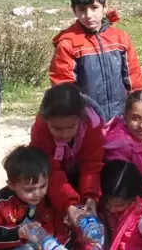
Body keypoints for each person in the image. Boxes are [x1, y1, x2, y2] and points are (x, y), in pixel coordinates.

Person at [49, 0, 142, 122]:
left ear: (105, 7)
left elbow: (133, 77)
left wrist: (137, 107)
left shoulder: (120, 38)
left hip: (121, 116)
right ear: (74, 10)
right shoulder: (68, 43)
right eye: (82, 9)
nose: (88, 15)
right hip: (86, 120)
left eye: (94, 8)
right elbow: (64, 86)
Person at [30, 82, 105, 227]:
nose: (64, 134)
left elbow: (91, 165)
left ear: (80, 119)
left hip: (76, 169)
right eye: (57, 128)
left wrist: (91, 197)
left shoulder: (92, 125)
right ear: (47, 121)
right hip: (52, 174)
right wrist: (68, 204)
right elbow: (50, 170)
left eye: (71, 127)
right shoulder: (41, 131)